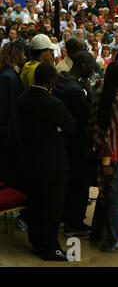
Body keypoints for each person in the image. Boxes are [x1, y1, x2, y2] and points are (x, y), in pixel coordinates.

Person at [18, 62, 76, 261]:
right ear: (51, 80)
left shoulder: (22, 99)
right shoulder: (54, 103)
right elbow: (71, 127)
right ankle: (51, 247)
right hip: (53, 163)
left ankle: (37, 243)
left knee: (34, 204)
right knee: (52, 206)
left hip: (29, 161)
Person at [89, 61, 118, 252]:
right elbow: (116, 134)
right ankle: (111, 242)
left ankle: (96, 233)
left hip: (101, 155)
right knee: (116, 201)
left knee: (104, 195)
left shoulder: (99, 94)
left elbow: (95, 127)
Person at [52, 51, 96, 237]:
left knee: (68, 184)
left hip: (62, 142)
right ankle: (74, 224)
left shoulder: (61, 79)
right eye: (92, 67)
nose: (93, 70)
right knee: (79, 185)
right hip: (77, 145)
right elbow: (86, 119)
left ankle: (64, 217)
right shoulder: (76, 91)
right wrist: (89, 93)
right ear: (84, 66)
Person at [0, 42, 26, 189]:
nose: (25, 57)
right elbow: (7, 113)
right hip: (8, 140)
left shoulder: (10, 75)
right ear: (16, 54)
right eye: (22, 54)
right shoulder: (8, 77)